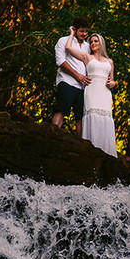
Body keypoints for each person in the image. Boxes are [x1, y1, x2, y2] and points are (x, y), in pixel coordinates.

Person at [64, 27, 118, 157]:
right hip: (92, 90)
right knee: (92, 116)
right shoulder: (87, 57)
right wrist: (72, 33)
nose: (93, 44)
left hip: (105, 93)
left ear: (101, 44)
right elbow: (68, 48)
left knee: (105, 118)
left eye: (95, 41)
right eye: (91, 42)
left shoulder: (110, 62)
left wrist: (113, 83)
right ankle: (91, 151)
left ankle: (107, 153)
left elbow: (113, 81)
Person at [52, 17, 91, 130]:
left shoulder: (87, 46)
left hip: (83, 87)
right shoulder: (63, 41)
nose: (84, 34)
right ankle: (51, 135)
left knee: (81, 117)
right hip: (66, 82)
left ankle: (81, 144)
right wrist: (77, 75)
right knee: (61, 110)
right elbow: (60, 62)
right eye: (82, 31)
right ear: (74, 29)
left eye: (86, 31)